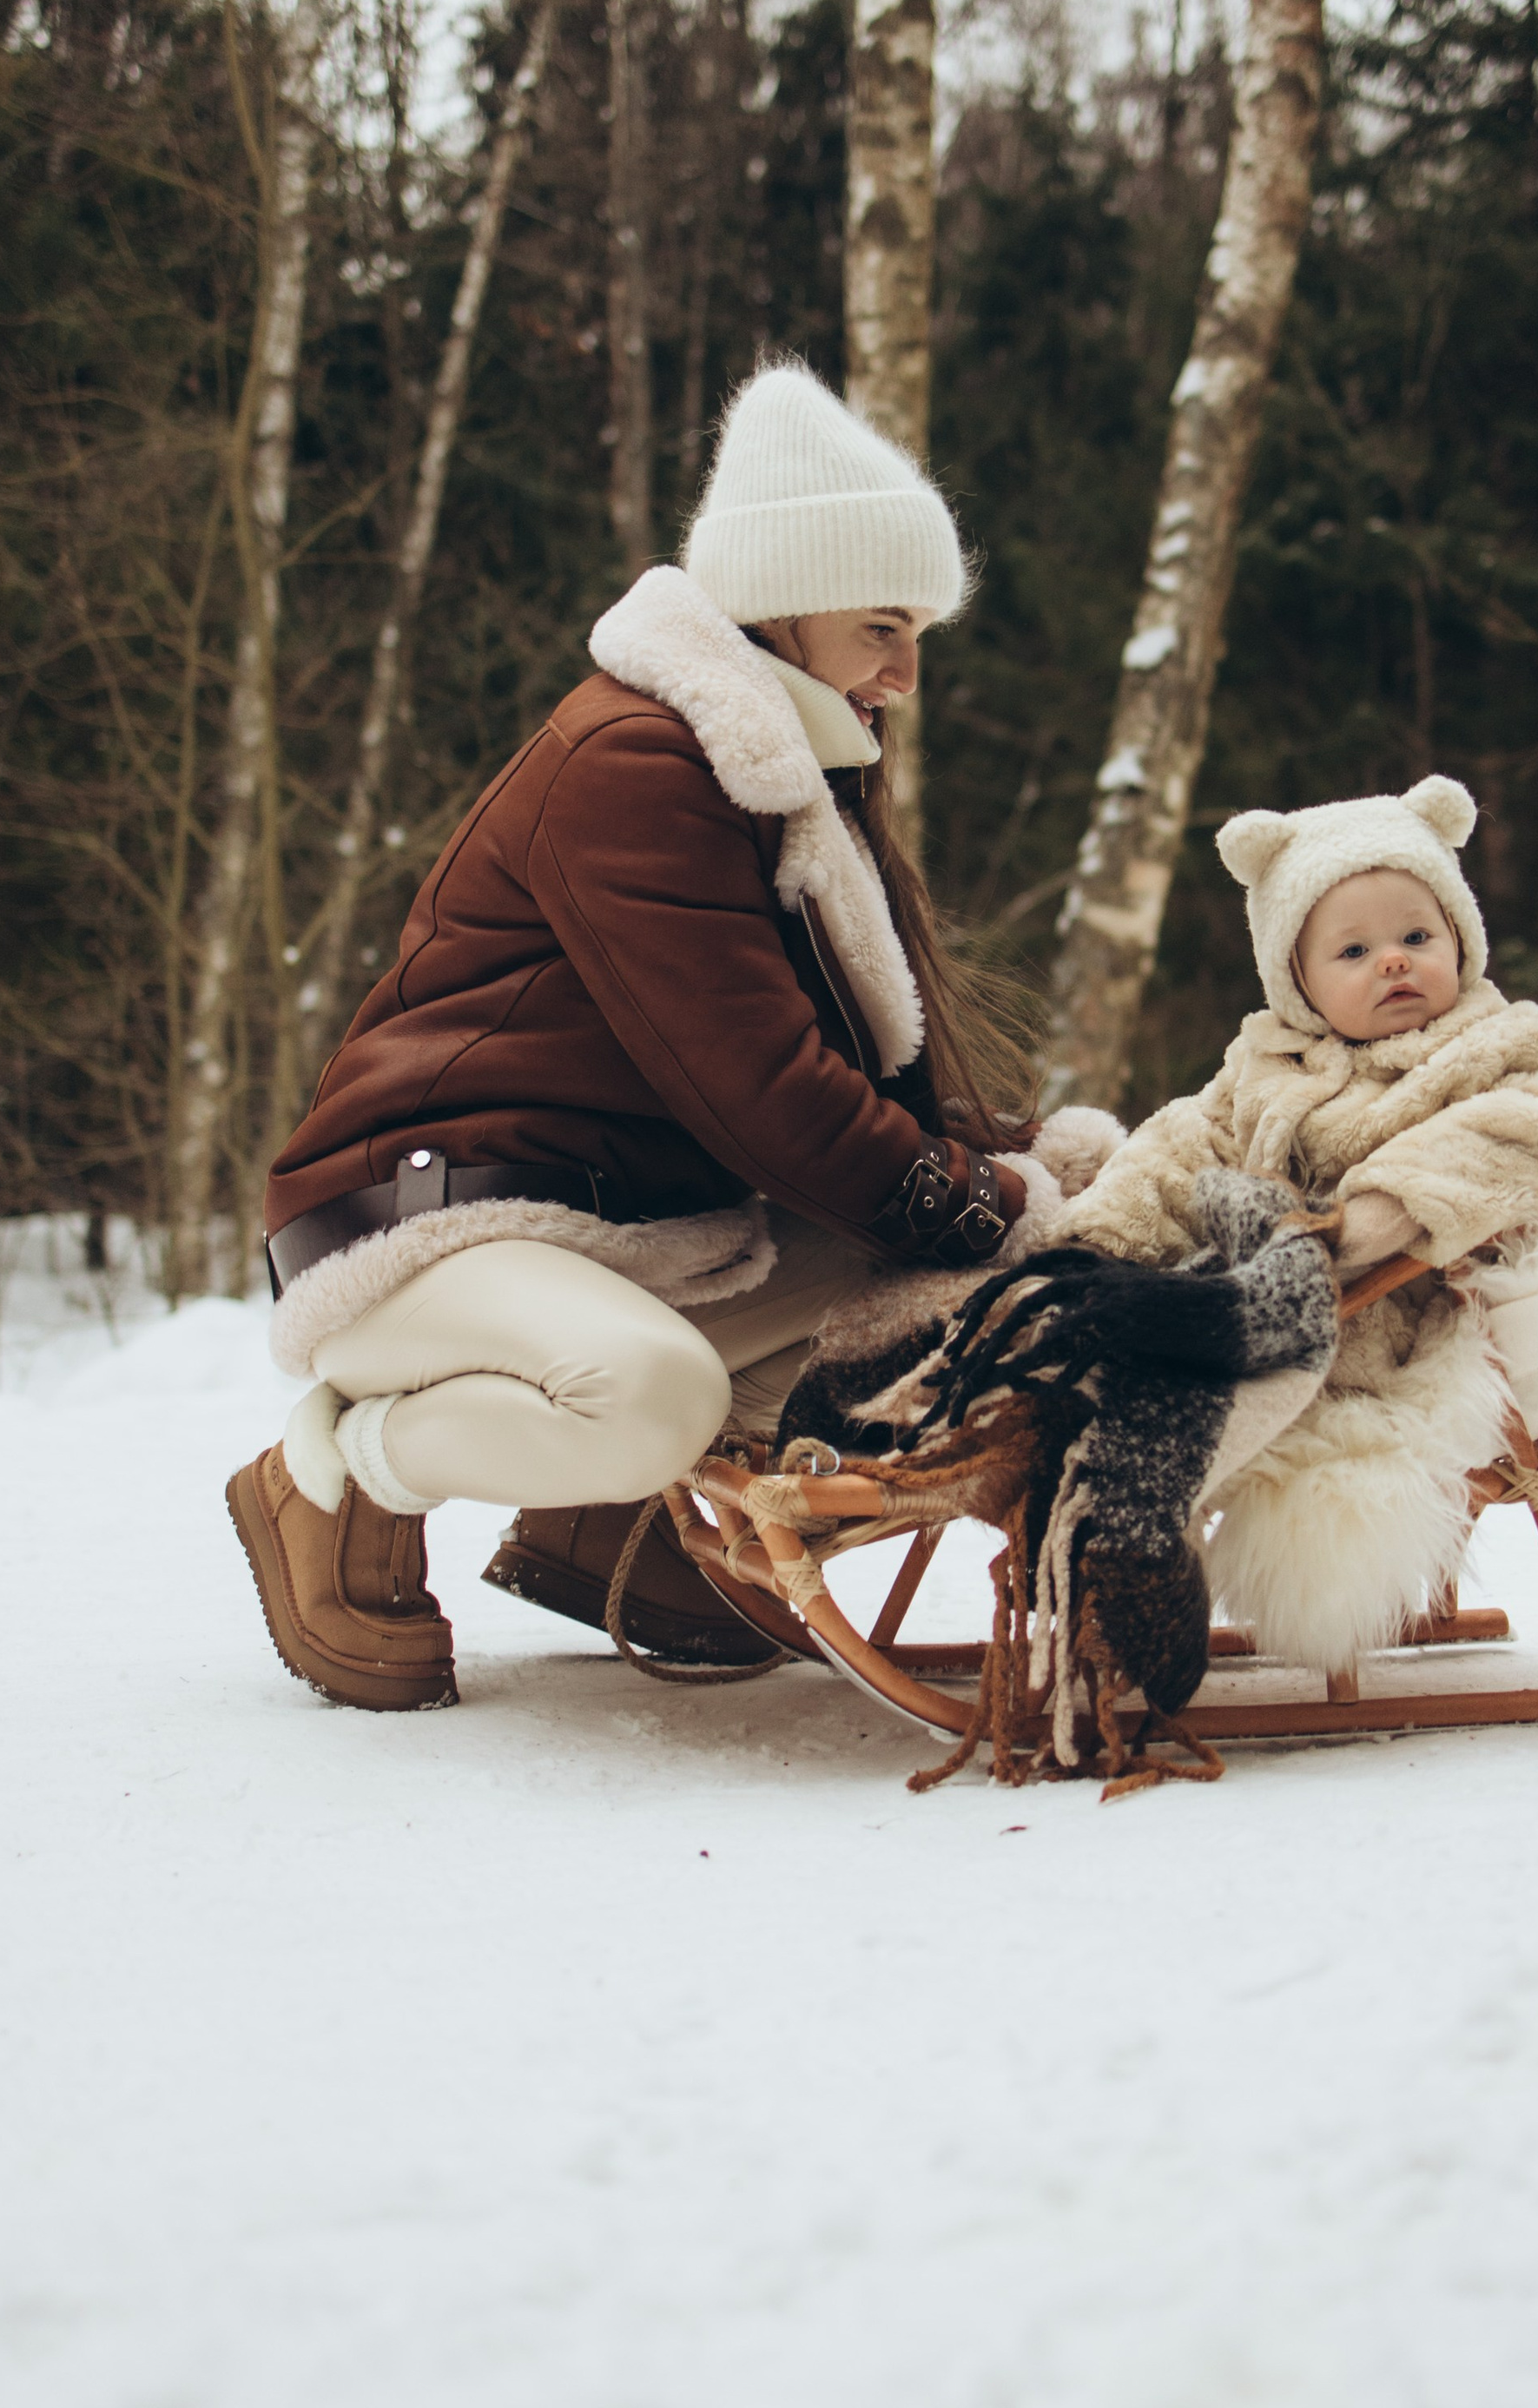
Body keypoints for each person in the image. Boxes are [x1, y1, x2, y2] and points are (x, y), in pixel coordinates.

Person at [228, 363, 1047, 1712]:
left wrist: (1022, 1184)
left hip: (608, 1225)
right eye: (882, 628)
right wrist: (983, 1203)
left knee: (891, 1299)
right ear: (783, 607)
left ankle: (612, 1527)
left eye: (919, 636)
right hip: (427, 1221)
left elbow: (864, 1087)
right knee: (654, 1395)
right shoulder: (637, 763)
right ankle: (335, 1474)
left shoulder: (781, 778)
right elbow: (771, 1094)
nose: (906, 673)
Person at [1060, 774, 1538, 1675]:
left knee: (1183, 1395)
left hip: (1405, 1328)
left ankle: (1137, 1554)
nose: (1393, 961)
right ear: (1297, 980)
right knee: (1115, 1352)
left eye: (1416, 936)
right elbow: (1177, 1150)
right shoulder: (1266, 1064)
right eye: (1352, 951)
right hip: (1267, 1310)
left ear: (1459, 941)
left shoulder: (1495, 1045)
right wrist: (1087, 1243)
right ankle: (1121, 1551)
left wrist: (1377, 1213)